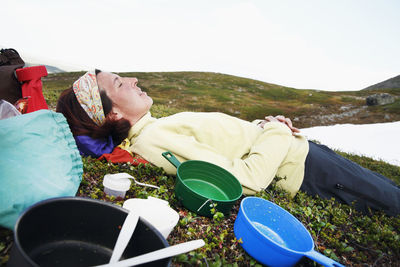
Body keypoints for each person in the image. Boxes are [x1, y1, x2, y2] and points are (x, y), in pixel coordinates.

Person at [56, 70, 400, 216]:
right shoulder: (153, 139)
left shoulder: (152, 128)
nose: (132, 79)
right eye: (119, 83)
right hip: (309, 172)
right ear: (113, 114)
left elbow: (230, 146)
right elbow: (246, 181)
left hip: (307, 159)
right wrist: (277, 129)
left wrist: (263, 127)